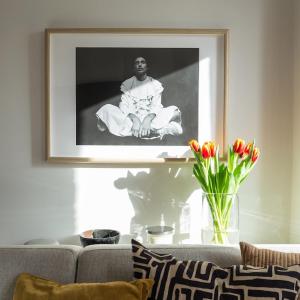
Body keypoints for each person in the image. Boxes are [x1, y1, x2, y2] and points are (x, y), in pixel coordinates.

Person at [96, 57, 182, 139]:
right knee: (106, 109)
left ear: (147, 67)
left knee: (174, 111)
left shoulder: (155, 84)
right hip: (131, 119)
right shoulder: (127, 84)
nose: (140, 65)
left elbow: (156, 106)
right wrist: (135, 119)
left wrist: (147, 120)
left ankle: (141, 131)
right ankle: (159, 130)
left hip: (151, 119)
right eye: (137, 63)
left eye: (142, 62)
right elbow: (124, 105)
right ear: (134, 68)